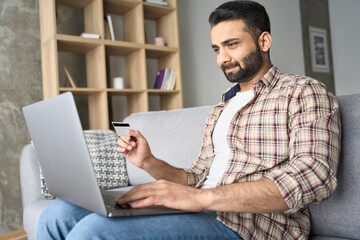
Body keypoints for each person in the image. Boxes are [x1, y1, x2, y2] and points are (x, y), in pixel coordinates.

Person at [37, 1, 341, 239]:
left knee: (93, 232)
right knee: (58, 213)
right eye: (216, 49)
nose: (222, 58)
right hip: (199, 211)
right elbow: (195, 177)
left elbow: (315, 176)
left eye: (232, 44)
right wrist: (148, 162)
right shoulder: (222, 107)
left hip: (252, 227)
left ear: (264, 41)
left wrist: (204, 199)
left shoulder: (303, 91)